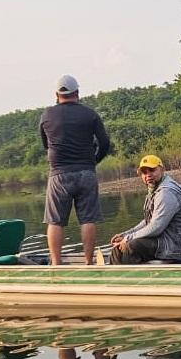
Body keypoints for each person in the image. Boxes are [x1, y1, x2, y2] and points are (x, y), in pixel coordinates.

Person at [40, 75, 112, 265]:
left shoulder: (47, 115)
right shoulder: (90, 114)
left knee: (55, 221)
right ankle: (88, 262)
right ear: (77, 93)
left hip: (59, 174)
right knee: (87, 219)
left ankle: (56, 264)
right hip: (86, 172)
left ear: (57, 95)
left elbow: (46, 145)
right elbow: (105, 143)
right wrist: (94, 161)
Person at [109, 155, 181, 264]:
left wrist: (129, 238)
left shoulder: (166, 193)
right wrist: (125, 235)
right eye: (144, 172)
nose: (148, 175)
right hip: (161, 242)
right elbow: (148, 221)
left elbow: (156, 227)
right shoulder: (154, 191)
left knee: (131, 246)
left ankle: (129, 274)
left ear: (162, 169)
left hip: (176, 248)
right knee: (118, 248)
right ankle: (117, 273)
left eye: (152, 170)